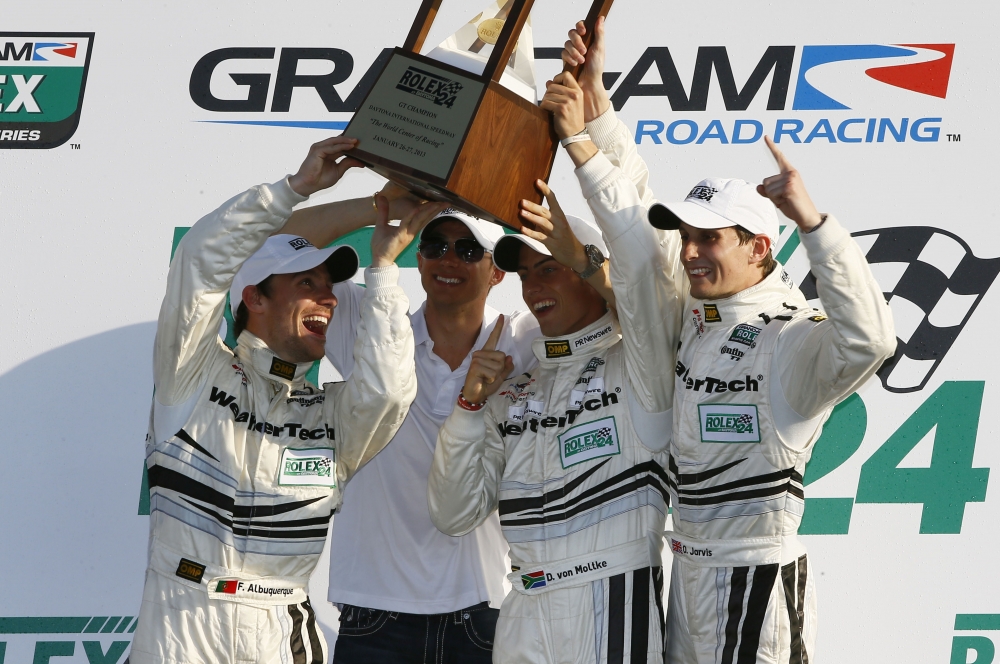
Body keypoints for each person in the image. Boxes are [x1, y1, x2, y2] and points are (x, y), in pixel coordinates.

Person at [546, 18, 897, 664]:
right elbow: (639, 223)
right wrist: (596, 103)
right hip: (687, 572)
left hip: (756, 577)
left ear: (759, 247)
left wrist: (814, 224)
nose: (690, 252)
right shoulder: (695, 310)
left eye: (709, 238)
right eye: (688, 237)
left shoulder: (790, 335)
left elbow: (871, 341)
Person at [131, 136, 445, 664]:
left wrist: (385, 271)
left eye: (329, 286)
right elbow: (200, 262)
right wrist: (292, 190)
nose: (327, 298)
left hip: (284, 632)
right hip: (180, 621)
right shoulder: (192, 372)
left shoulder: (330, 414)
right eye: (307, 282)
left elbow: (390, 389)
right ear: (254, 296)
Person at [282, 198, 546, 663]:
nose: (449, 259)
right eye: (434, 245)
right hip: (373, 612)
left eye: (468, 250)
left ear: (497, 272)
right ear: (418, 259)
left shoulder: (525, 339)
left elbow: (619, 303)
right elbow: (276, 243)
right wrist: (380, 206)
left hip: (486, 608)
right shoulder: (373, 326)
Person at [426, 188, 676, 664]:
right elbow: (453, 515)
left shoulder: (641, 365)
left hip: (610, 598)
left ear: (586, 273)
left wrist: (585, 260)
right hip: (522, 608)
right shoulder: (513, 392)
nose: (532, 288)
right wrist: (469, 408)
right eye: (524, 275)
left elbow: (650, 309)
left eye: (548, 269)